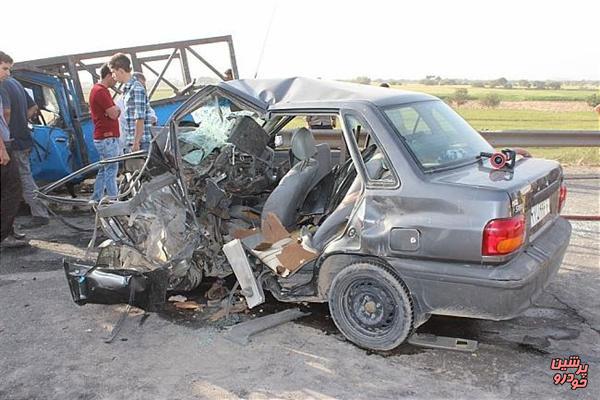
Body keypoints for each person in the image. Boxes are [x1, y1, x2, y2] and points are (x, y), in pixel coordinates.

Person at [0, 53, 50, 229]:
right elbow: (34, 106)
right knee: (21, 177)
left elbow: (5, 113)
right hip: (24, 136)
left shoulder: (3, 85)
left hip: (13, 141)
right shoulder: (16, 83)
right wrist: (22, 120)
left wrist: (7, 129)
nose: (6, 72)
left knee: (22, 178)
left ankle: (40, 213)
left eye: (7, 68)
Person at [0, 51, 28, 247]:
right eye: (4, 68)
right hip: (2, 146)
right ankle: (4, 234)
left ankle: (8, 230)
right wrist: (2, 148)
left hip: (6, 143)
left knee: (9, 190)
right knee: (12, 189)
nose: (7, 73)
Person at [89, 64, 121, 201]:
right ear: (108, 75)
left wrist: (113, 110)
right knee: (111, 170)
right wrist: (117, 109)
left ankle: (96, 198)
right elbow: (114, 113)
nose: (116, 80)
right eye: (113, 76)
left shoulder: (96, 90)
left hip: (102, 137)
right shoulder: (101, 91)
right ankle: (114, 201)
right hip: (107, 137)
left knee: (104, 169)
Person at [109, 53, 152, 152]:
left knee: (139, 167)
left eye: (113, 72)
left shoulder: (136, 88)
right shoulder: (127, 89)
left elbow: (139, 118)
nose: (113, 76)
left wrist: (136, 143)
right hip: (132, 141)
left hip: (141, 143)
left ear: (120, 71)